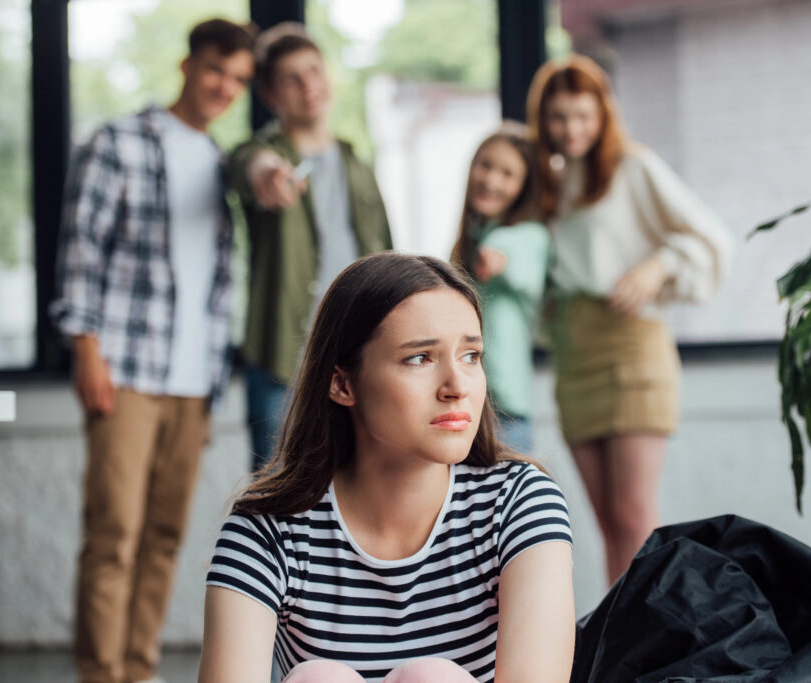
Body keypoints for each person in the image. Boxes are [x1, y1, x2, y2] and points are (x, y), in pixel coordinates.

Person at [198, 253, 575, 683]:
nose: (457, 386)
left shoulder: (519, 502)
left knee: (431, 680)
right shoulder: (267, 531)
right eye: (420, 358)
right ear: (342, 383)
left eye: (471, 355)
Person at [49, 19, 255, 683]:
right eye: (217, 69)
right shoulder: (118, 142)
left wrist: (214, 380)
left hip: (194, 382)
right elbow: (80, 249)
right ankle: (100, 672)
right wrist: (86, 349)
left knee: (165, 536)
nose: (225, 87)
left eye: (238, 78)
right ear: (188, 65)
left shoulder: (221, 162)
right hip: (126, 370)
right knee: (114, 532)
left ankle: (138, 669)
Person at [526, 55, 733, 585]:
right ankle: (620, 633)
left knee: (634, 516)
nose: (571, 129)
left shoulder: (634, 167)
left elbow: (709, 236)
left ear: (603, 115)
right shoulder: (546, 185)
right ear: (542, 120)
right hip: (575, 357)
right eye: (558, 117)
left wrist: (657, 266)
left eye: (582, 115)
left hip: (631, 346)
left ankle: (644, 632)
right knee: (607, 524)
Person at [228, 23, 392, 471]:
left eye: (314, 71)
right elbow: (248, 165)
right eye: (291, 79)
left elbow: (387, 255)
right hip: (284, 358)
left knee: (362, 486)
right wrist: (267, 174)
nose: (308, 86)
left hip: (360, 356)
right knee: (278, 488)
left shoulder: (357, 164)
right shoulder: (264, 155)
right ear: (269, 95)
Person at [450, 122, 548, 454]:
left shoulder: (527, 236)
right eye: (486, 165)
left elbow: (513, 255)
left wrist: (496, 258)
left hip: (504, 417)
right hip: (463, 408)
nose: (491, 180)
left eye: (507, 174)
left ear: (524, 187)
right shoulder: (465, 242)